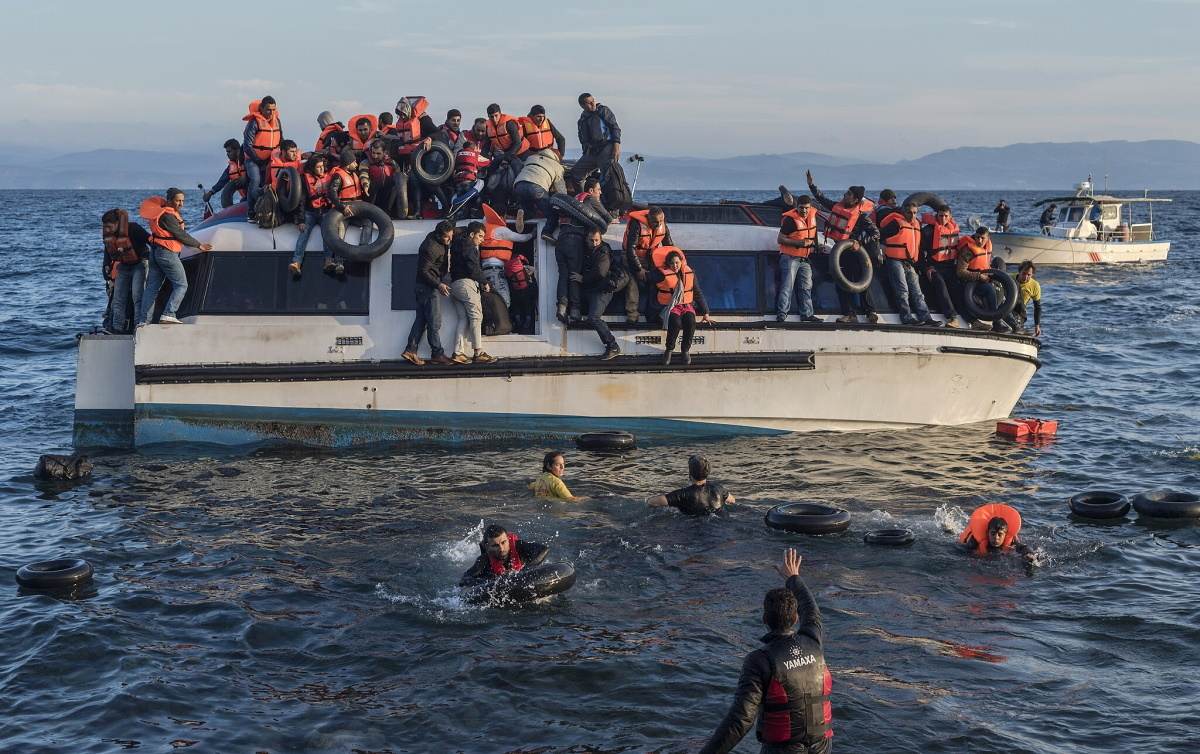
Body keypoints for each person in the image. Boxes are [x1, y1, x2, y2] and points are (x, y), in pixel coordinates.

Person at [699, 548, 832, 754]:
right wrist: (794, 577)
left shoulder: (760, 660)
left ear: (765, 620)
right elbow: (811, 608)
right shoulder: (813, 641)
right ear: (796, 619)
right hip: (821, 749)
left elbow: (741, 719)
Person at [806, 170, 880, 324]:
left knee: (863, 282)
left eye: (848, 194)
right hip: (840, 253)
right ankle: (849, 314)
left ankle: (871, 311)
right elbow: (821, 199)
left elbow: (875, 233)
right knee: (842, 283)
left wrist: (859, 241)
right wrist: (812, 185)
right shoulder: (837, 206)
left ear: (855, 200)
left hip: (857, 253)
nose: (845, 195)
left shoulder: (861, 217)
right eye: (846, 193)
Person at [138, 189, 213, 325]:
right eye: (178, 200)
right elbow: (180, 234)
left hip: (155, 253)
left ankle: (144, 321)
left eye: (183, 201)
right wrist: (198, 245)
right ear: (169, 200)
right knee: (181, 284)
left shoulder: (159, 214)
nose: (181, 204)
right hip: (167, 254)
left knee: (152, 288)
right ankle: (168, 314)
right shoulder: (168, 216)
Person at [555, 178, 613, 322]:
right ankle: (575, 310)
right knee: (575, 275)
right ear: (591, 190)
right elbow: (607, 217)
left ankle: (561, 307)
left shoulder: (572, 200)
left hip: (561, 238)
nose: (600, 193)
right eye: (599, 190)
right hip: (575, 240)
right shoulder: (591, 199)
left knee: (563, 274)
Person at [402, 220, 456, 366]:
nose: (450, 240)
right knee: (435, 321)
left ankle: (410, 350)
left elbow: (454, 230)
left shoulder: (441, 236)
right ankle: (437, 353)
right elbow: (423, 271)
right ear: (438, 236)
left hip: (422, 287)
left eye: (451, 236)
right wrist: (438, 285)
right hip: (428, 287)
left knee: (421, 320)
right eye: (447, 237)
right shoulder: (430, 248)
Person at [648, 248, 714, 366]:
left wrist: (706, 313)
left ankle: (685, 350)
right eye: (672, 263)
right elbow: (645, 278)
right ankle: (669, 350)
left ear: (681, 262)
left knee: (690, 321)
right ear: (668, 264)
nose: (675, 265)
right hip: (671, 305)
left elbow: (697, 293)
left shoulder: (689, 273)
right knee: (675, 322)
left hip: (686, 305)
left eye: (677, 262)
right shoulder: (660, 274)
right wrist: (639, 270)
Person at [878, 200, 939, 326]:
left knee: (917, 292)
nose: (912, 216)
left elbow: (918, 247)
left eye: (915, 213)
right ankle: (906, 317)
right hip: (895, 261)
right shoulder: (896, 224)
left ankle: (926, 317)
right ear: (903, 212)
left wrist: (923, 264)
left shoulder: (917, 225)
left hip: (910, 263)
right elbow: (880, 235)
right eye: (909, 213)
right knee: (902, 291)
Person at [449, 221, 498, 364]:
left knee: (463, 319)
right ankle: (478, 352)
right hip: (466, 284)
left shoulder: (457, 243)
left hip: (454, 285)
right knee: (476, 317)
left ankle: (458, 353)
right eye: (480, 236)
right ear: (472, 235)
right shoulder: (469, 246)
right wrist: (485, 282)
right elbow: (473, 269)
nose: (482, 240)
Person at [573, 228, 624, 360]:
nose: (594, 243)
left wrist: (582, 278)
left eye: (597, 240)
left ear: (601, 240)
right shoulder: (587, 249)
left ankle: (612, 345)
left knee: (594, 317)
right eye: (591, 240)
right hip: (591, 289)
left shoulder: (602, 253)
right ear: (586, 239)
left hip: (602, 290)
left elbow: (600, 272)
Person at [101, 208, 151, 333]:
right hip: (123, 266)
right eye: (105, 227)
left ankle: (138, 327)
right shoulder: (109, 236)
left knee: (137, 296)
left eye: (110, 226)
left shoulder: (134, 228)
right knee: (118, 297)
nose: (107, 229)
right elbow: (107, 253)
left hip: (140, 264)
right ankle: (117, 327)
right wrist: (106, 268)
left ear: (117, 223)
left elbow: (150, 241)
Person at [388, 97, 437, 219]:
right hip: (415, 156)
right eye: (400, 115)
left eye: (404, 114)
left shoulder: (423, 119)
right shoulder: (402, 123)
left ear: (409, 110)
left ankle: (446, 207)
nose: (402, 117)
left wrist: (429, 138)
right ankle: (418, 212)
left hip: (430, 154)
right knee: (414, 181)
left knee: (430, 182)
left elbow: (438, 133)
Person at [623, 206, 673, 323]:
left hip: (651, 257)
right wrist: (638, 268)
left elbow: (669, 247)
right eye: (655, 222)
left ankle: (655, 312)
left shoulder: (663, 226)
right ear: (649, 220)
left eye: (661, 221)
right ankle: (632, 313)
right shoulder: (637, 225)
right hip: (632, 256)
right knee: (632, 280)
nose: (659, 224)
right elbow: (630, 249)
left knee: (658, 279)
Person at [775, 195, 821, 324]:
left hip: (804, 259)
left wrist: (816, 246)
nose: (804, 211)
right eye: (801, 208)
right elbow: (780, 239)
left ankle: (807, 314)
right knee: (787, 286)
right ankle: (782, 314)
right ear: (797, 207)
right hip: (789, 257)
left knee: (806, 287)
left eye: (806, 208)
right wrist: (800, 243)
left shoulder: (812, 216)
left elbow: (813, 231)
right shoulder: (790, 220)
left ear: (810, 207)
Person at [479, 204, 533, 308]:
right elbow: (522, 238)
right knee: (504, 302)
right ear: (502, 216)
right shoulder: (501, 230)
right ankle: (502, 323)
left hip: (485, 270)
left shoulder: (484, 226)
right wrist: (533, 233)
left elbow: (487, 217)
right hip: (495, 270)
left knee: (489, 303)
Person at [919, 204, 964, 327]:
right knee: (940, 285)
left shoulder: (954, 229)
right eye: (940, 216)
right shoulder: (928, 231)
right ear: (936, 216)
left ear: (950, 217)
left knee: (957, 289)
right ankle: (952, 317)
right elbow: (920, 252)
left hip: (950, 266)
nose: (943, 219)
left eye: (945, 216)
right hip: (934, 266)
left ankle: (971, 319)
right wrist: (927, 267)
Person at [459, 523, 550, 584]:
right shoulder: (484, 560)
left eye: (504, 542)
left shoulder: (518, 546)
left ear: (508, 539)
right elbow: (465, 578)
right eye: (495, 545)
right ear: (487, 547)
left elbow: (543, 549)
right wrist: (489, 582)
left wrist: (526, 570)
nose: (501, 549)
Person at [289, 153, 332, 277]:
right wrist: (301, 220)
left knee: (328, 232)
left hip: (324, 211)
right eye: (318, 167)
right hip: (310, 212)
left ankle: (328, 259)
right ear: (312, 168)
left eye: (322, 166)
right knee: (304, 233)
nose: (321, 169)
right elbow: (301, 201)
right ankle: (296, 262)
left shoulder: (328, 178)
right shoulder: (305, 180)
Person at [647, 454, 733, 515]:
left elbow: (651, 502)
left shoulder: (683, 494)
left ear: (690, 473)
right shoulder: (719, 488)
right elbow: (732, 500)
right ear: (708, 472)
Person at [325, 150, 365, 276]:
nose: (356, 165)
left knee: (368, 223)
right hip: (343, 213)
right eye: (354, 162)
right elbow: (332, 194)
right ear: (347, 164)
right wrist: (342, 207)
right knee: (340, 234)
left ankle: (364, 248)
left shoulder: (354, 174)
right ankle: (339, 262)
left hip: (356, 211)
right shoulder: (338, 177)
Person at [513, 148, 566, 245]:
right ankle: (547, 232)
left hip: (519, 185)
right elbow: (560, 188)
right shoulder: (557, 166)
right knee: (552, 215)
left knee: (530, 211)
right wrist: (566, 202)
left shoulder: (531, 158)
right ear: (558, 158)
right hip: (536, 187)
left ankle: (523, 214)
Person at [241, 97, 281, 223]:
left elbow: (281, 140)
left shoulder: (277, 122)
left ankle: (268, 209)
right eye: (268, 110)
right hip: (253, 160)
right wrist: (258, 160)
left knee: (270, 183)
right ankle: (251, 211)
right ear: (261, 109)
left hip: (270, 160)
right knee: (255, 180)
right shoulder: (254, 123)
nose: (271, 113)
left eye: (273, 110)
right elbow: (247, 146)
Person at [570, 93, 621, 185]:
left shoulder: (603, 111)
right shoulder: (582, 119)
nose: (593, 104)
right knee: (576, 173)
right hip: (592, 152)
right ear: (582, 106)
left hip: (606, 148)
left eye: (593, 100)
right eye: (589, 103)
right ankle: (583, 196)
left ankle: (611, 197)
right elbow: (582, 137)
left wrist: (616, 147)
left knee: (608, 175)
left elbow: (615, 128)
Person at [955, 226, 999, 331]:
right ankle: (996, 322)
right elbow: (960, 272)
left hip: (984, 279)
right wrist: (979, 276)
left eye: (982, 238)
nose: (979, 241)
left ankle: (1012, 323)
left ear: (987, 238)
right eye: (977, 237)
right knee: (989, 290)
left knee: (999, 289)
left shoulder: (987, 247)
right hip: (969, 282)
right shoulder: (967, 250)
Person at [959, 503, 1036, 562]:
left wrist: (1029, 554)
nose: (996, 538)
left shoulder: (1012, 541)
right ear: (987, 533)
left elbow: (1024, 547)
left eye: (1000, 534)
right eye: (992, 533)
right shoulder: (975, 541)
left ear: (1005, 535)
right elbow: (962, 552)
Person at [358, 139, 401, 218]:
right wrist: (365, 184)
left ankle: (389, 212)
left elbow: (399, 175)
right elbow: (363, 174)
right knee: (374, 184)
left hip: (387, 196)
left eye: (378, 153)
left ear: (384, 153)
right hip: (371, 194)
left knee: (393, 185)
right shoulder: (365, 162)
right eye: (373, 153)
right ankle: (370, 213)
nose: (375, 156)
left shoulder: (392, 163)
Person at [201, 139, 247, 206]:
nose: (227, 154)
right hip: (245, 199)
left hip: (256, 196)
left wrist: (246, 177)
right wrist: (210, 193)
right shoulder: (230, 168)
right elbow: (221, 182)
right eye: (227, 152)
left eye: (229, 151)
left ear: (237, 151)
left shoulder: (248, 161)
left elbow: (257, 174)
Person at [1010, 260, 1042, 336]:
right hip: (1007, 308)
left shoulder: (1035, 285)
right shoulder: (1009, 278)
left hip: (1020, 312)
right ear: (1019, 271)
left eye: (1029, 275)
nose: (1025, 277)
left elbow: (1037, 307)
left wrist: (1037, 325)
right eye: (1024, 273)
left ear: (1032, 275)